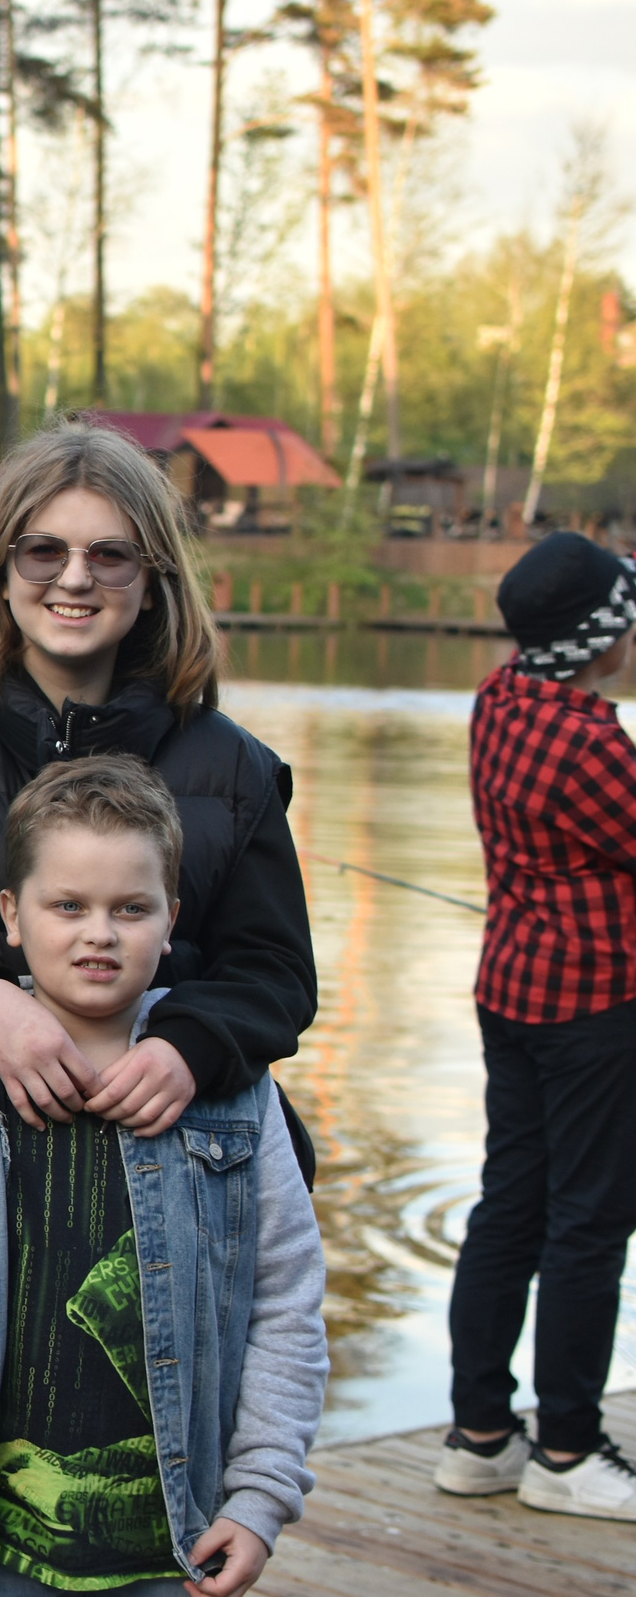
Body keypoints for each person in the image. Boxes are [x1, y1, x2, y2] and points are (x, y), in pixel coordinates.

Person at [0, 757, 327, 1597]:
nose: (98, 932)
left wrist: (261, 1495)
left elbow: (286, 1300)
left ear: (172, 919)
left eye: (131, 908)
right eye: (67, 905)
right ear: (12, 913)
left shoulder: (237, 1097)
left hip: (180, 1547)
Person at [0, 423, 316, 1177]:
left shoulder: (233, 768)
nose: (75, 579)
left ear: (150, 586)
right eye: (44, 551)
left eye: (110, 556)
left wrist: (188, 1046)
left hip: (175, 1160)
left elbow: (276, 973)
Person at [435, 531, 636, 1521]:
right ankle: (564, 1448)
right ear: (599, 637)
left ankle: (479, 1435)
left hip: (509, 987)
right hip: (595, 1003)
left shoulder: (500, 697)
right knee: (590, 1221)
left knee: (508, 1204)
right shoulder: (589, 743)